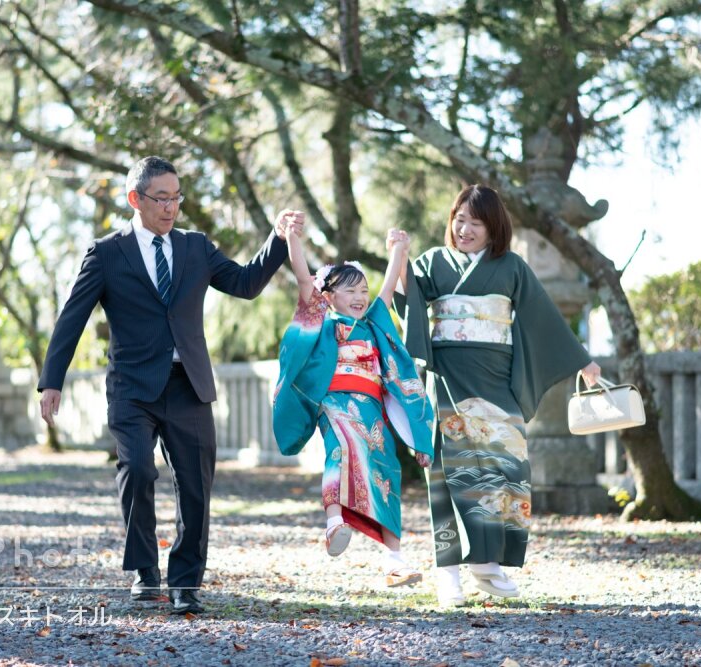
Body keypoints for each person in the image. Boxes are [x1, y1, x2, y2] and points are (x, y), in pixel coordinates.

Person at [38, 156, 300, 614]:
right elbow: (73, 317)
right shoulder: (106, 253)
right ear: (135, 199)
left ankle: (185, 582)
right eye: (161, 198)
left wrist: (277, 239)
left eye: (176, 198)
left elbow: (245, 283)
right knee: (137, 469)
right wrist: (51, 381)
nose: (171, 207)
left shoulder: (196, 247)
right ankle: (145, 571)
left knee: (196, 486)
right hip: (132, 387)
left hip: (188, 385)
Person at [392, 184, 601, 606]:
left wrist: (582, 360)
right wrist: (399, 257)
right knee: (449, 474)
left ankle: (487, 563)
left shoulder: (511, 267)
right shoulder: (434, 261)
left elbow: (543, 316)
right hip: (447, 379)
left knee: (505, 466)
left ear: (493, 227)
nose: (464, 229)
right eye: (459, 220)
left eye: (476, 222)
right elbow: (408, 300)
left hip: (497, 380)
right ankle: (448, 574)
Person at [272, 228, 435, 588]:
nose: (360, 297)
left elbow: (388, 288)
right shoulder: (321, 321)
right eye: (350, 291)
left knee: (386, 471)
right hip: (334, 403)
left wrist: (399, 249)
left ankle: (394, 561)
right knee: (342, 448)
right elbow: (303, 278)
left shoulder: (373, 323)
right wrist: (293, 238)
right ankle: (334, 522)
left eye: (363, 290)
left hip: (371, 407)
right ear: (328, 297)